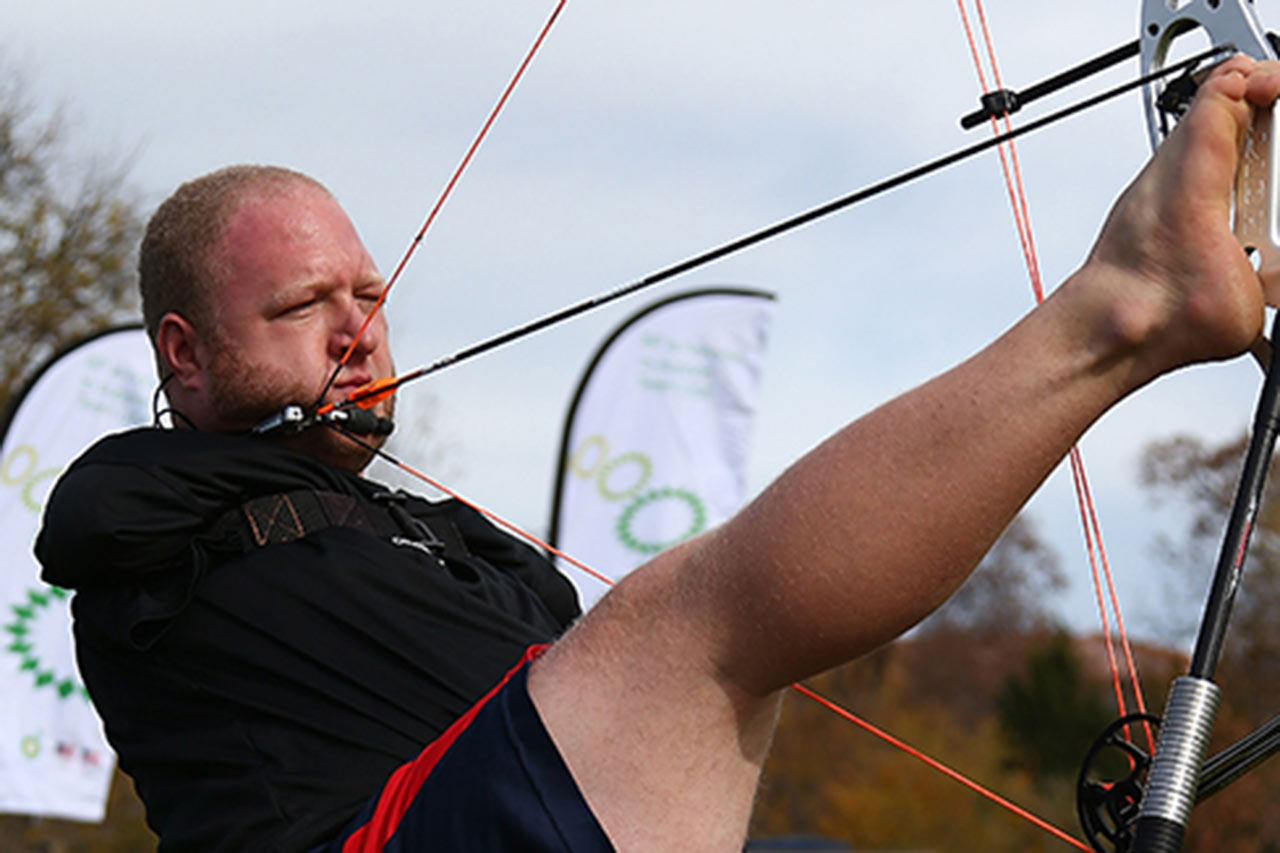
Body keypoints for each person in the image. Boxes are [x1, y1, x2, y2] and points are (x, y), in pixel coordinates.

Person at [36, 56, 1280, 851]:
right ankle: (1130, 305)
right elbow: (94, 519)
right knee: (675, 622)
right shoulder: (143, 509)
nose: (361, 334)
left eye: (370, 295)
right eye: (307, 307)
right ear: (184, 357)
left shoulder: (423, 530)